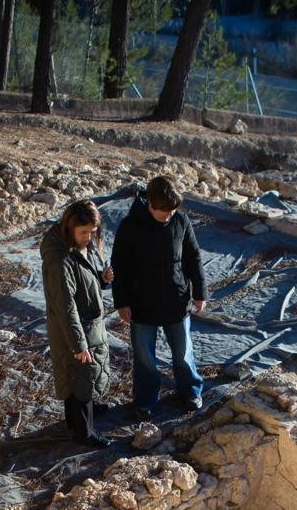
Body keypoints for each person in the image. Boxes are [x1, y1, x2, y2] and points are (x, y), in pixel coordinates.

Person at [111, 175, 208, 419]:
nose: (169, 216)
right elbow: (119, 266)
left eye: (173, 211)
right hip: (142, 304)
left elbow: (193, 257)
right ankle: (145, 401)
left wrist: (200, 292)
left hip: (177, 300)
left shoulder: (181, 220)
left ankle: (191, 392)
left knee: (183, 354)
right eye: (164, 211)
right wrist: (121, 302)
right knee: (145, 358)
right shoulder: (130, 226)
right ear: (150, 204)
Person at [40, 200, 114, 448]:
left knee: (86, 377)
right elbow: (65, 306)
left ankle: (88, 411)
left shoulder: (75, 245)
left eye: (92, 232)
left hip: (87, 325)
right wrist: (78, 344)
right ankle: (83, 432)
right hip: (74, 330)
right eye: (84, 233)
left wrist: (101, 280)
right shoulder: (59, 260)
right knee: (77, 378)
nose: (89, 238)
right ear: (69, 228)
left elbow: (83, 280)